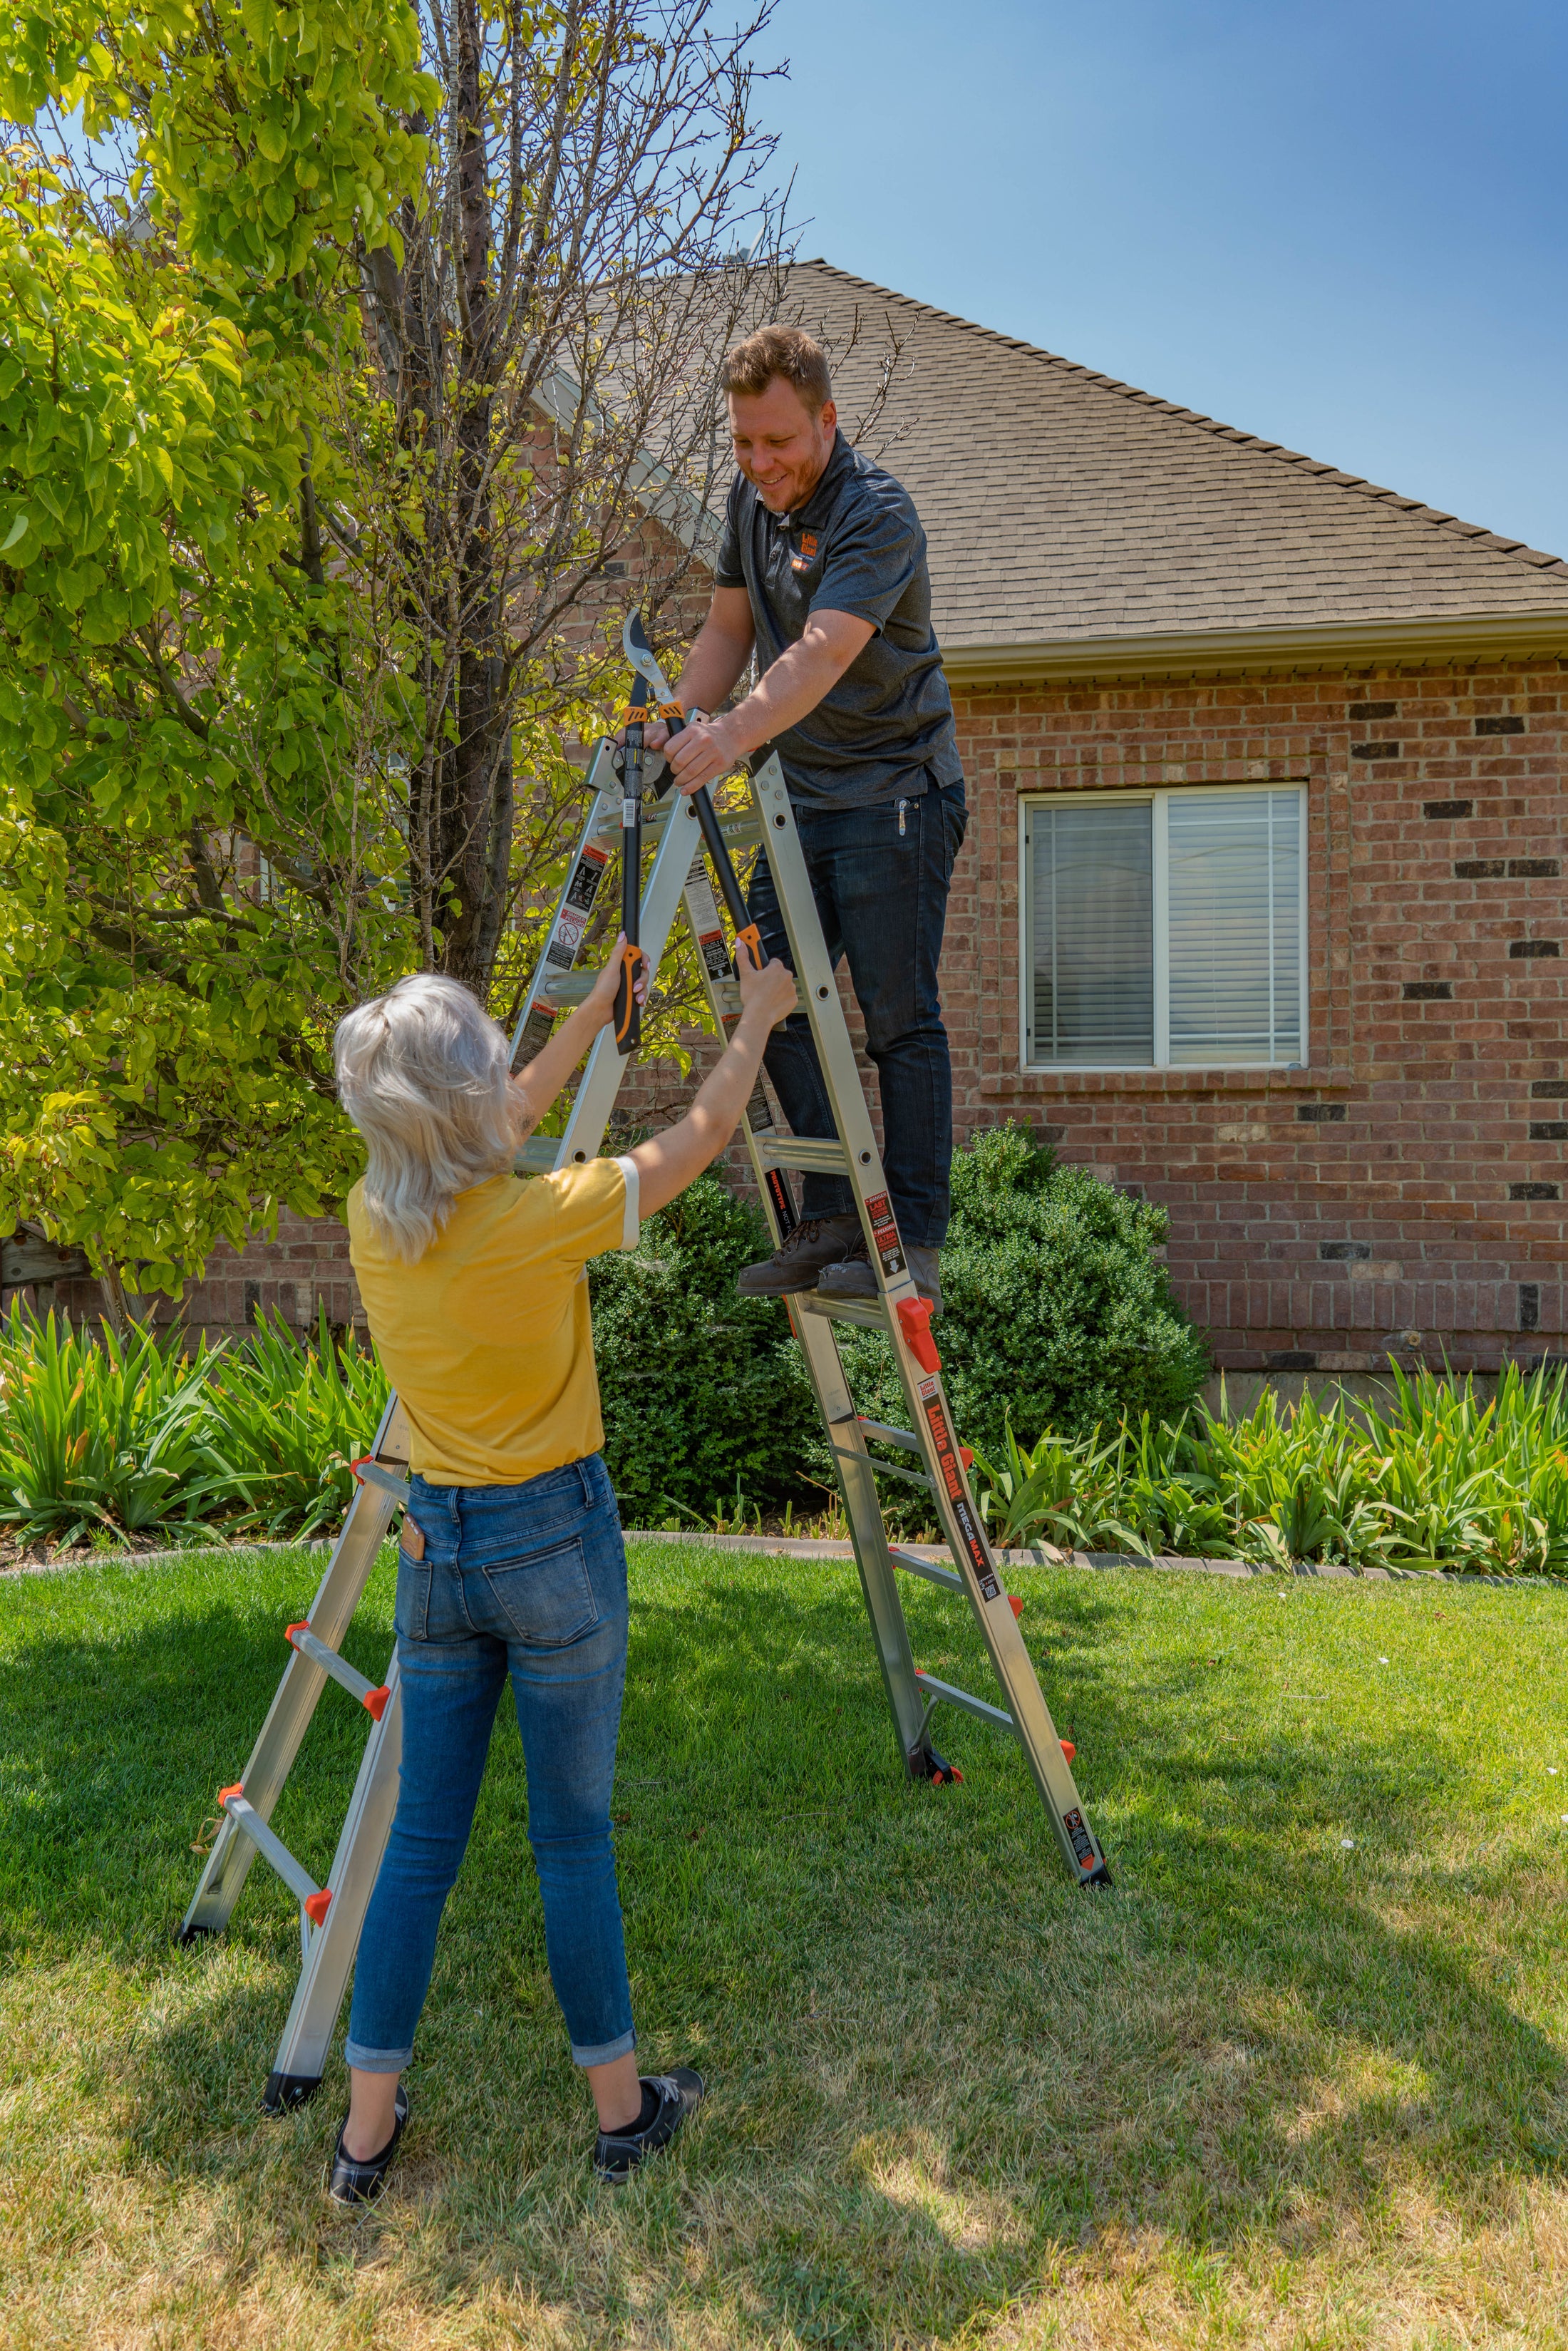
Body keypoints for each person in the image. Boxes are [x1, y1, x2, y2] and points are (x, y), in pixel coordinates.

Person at [326, 934, 796, 2202]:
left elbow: (503, 1112)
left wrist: (593, 1012)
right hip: (552, 1544)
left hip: (436, 1546)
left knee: (422, 1845)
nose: (506, 1086)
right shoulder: (538, 1220)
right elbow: (695, 1139)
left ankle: (363, 2141)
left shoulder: (377, 1220)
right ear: (462, 1100)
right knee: (570, 1838)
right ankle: (621, 2114)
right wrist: (752, 1019)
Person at [648, 324, 967, 1310]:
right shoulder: (751, 502)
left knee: (899, 1024)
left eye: (778, 441)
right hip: (804, 803)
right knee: (766, 992)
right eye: (744, 443)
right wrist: (680, 722)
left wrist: (732, 736)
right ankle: (832, 1218)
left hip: (898, 796)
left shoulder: (878, 515)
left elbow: (819, 656)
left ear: (827, 421)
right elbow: (729, 629)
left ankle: (913, 1243)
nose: (760, 463)